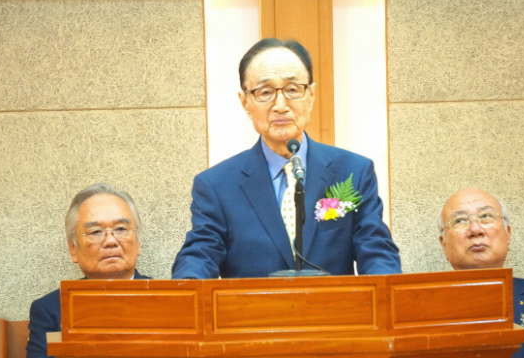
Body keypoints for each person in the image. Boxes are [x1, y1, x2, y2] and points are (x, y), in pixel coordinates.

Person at [172, 38, 401, 279]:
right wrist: (188, 286)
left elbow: (376, 250)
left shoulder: (353, 171)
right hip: (252, 314)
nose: (280, 106)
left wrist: (386, 293)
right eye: (265, 92)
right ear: (245, 102)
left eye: (293, 90)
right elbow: (201, 253)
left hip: (334, 314)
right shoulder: (217, 185)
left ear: (310, 95)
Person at [438, 188, 524, 358]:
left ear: (507, 235)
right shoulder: (416, 310)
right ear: (444, 244)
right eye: (460, 220)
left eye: (486, 216)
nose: (475, 229)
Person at [27, 183, 151, 358]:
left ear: (137, 243)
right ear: (73, 249)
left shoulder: (175, 301)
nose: (110, 241)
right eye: (95, 232)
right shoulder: (51, 309)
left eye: (121, 229)